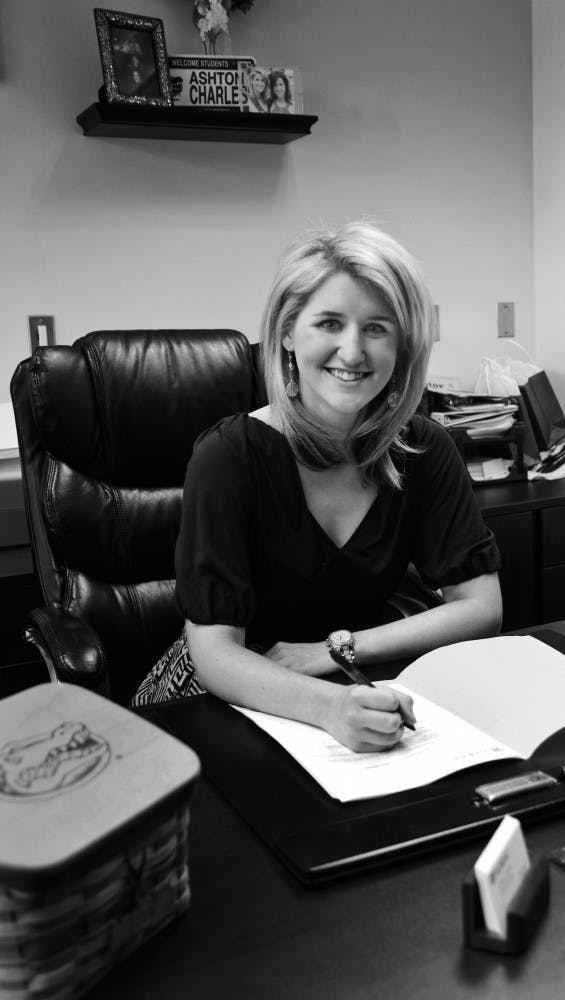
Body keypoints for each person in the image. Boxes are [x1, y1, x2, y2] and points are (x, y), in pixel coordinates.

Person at [132, 221, 502, 752]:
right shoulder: (228, 455)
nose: (352, 352)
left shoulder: (423, 448)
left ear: (403, 344)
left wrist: (335, 651)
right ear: (287, 332)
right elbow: (213, 652)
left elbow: (481, 605)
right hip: (222, 694)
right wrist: (327, 706)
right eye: (329, 322)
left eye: (377, 328)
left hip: (347, 686)